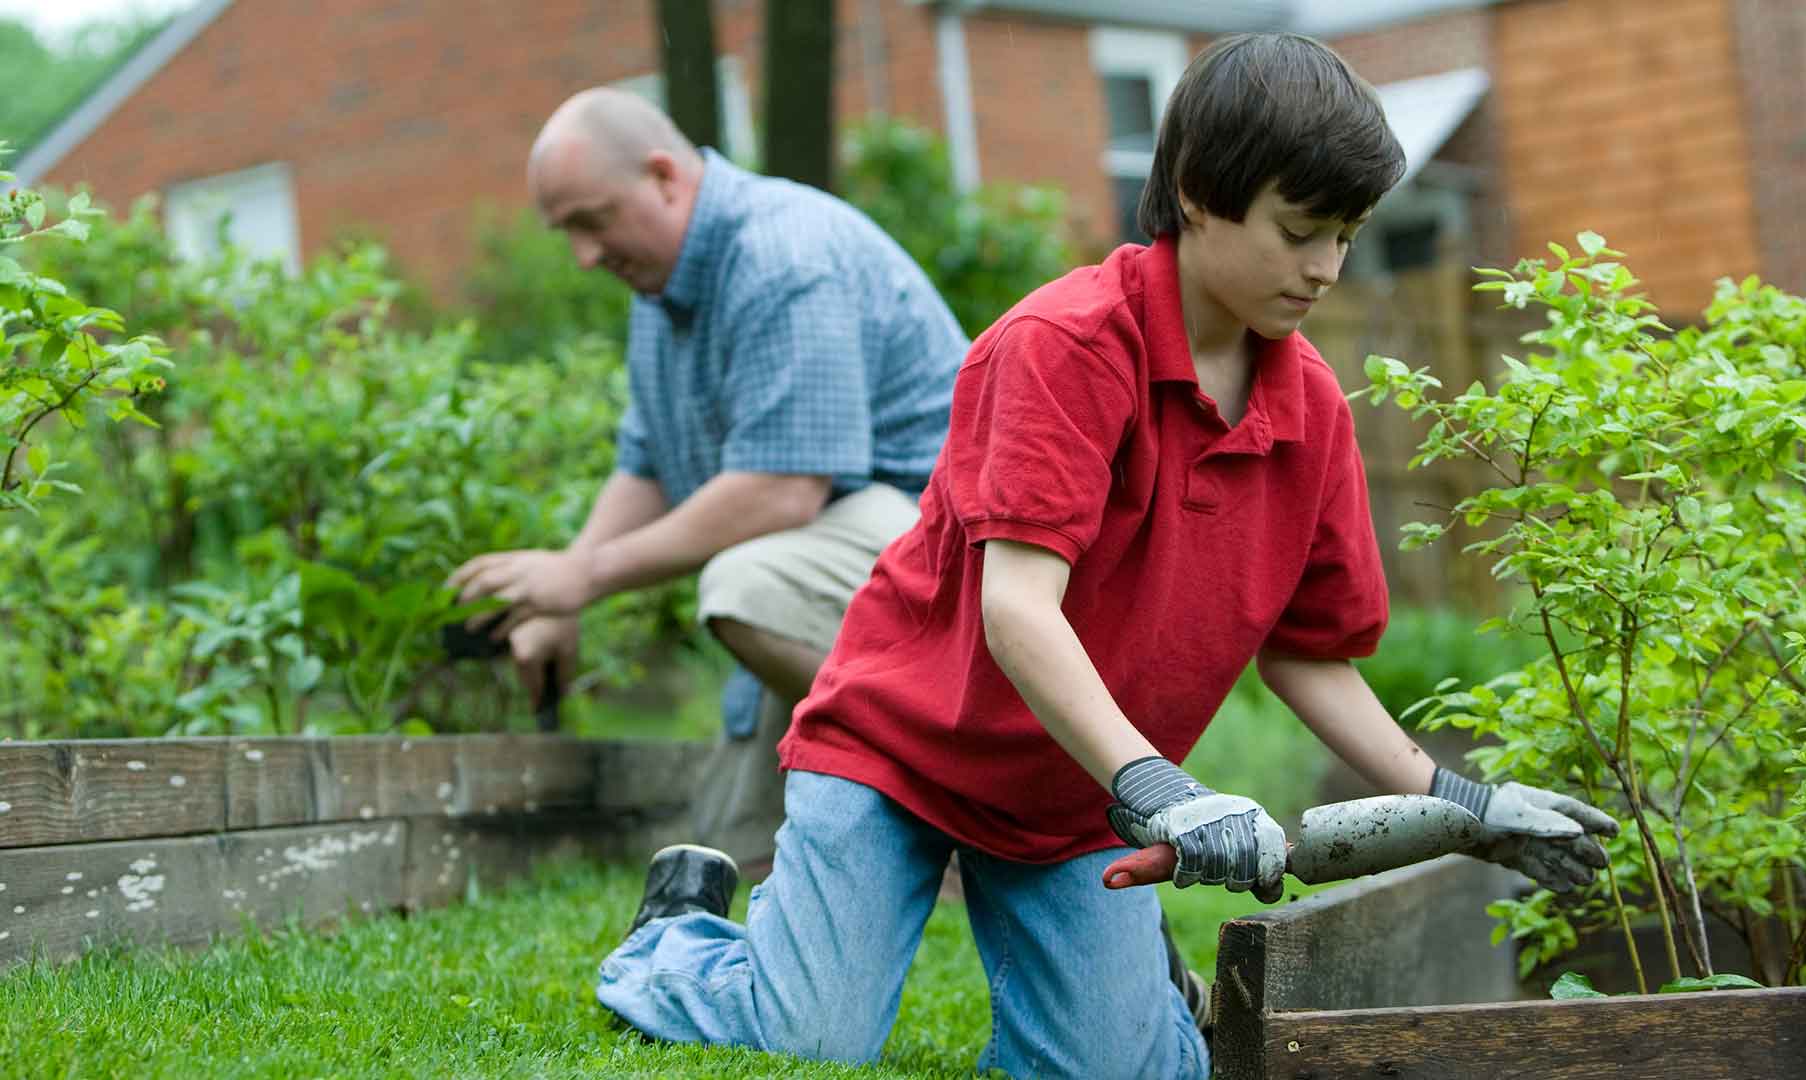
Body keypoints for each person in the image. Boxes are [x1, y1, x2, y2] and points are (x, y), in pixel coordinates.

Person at [594, 33, 1617, 1079]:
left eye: (1348, 235)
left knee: (1120, 1071)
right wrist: (1164, 789)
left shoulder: (1309, 409)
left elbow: (1309, 653)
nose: (1327, 269)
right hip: (902, 752)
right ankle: (677, 938)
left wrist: (1467, 807)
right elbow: (1020, 610)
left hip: (1072, 796)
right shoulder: (1066, 347)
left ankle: (1146, 1003)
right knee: (810, 1036)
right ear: (1196, 192)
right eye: (1300, 230)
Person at [450, 88, 968, 861]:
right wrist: (561, 593)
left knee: (747, 586)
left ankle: (970, 797)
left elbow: (782, 491)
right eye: (567, 234)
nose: (584, 257)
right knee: (733, 844)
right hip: (839, 566)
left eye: (593, 221)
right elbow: (648, 461)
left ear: (664, 176)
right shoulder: (661, 291)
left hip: (949, 559)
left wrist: (585, 576)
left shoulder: (782, 257)